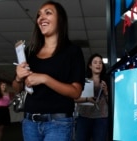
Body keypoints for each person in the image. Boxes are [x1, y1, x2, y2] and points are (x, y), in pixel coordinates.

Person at [12, 1, 85, 141]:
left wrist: (45, 78)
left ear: (60, 19)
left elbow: (76, 92)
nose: (41, 18)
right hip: (29, 122)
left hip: (58, 123)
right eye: (39, 15)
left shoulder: (72, 52)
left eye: (48, 13)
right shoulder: (30, 52)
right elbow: (17, 88)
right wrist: (18, 78)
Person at [75, 53, 109, 141]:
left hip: (101, 118)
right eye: (95, 62)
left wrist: (106, 92)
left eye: (100, 63)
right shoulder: (83, 81)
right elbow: (75, 98)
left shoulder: (108, 81)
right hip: (84, 117)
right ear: (90, 66)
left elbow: (112, 103)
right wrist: (87, 99)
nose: (98, 64)